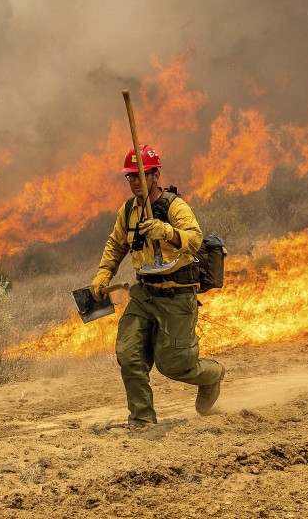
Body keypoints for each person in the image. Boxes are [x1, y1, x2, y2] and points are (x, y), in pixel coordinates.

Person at [90, 144, 225, 429]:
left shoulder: (175, 207)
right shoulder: (128, 211)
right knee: (128, 355)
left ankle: (212, 374)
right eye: (131, 177)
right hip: (144, 293)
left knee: (174, 365)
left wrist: (167, 232)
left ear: (155, 175)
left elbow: (194, 239)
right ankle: (142, 420)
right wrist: (104, 274)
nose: (135, 181)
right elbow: (116, 244)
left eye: (141, 175)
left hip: (176, 293)